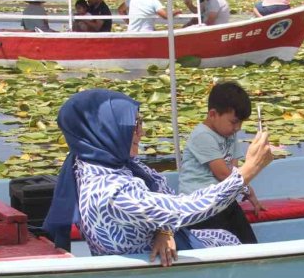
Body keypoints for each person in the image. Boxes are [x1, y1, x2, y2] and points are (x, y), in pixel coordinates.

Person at [43, 89, 273, 266]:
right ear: (105, 131)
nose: (141, 132)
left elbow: (163, 194)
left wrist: (163, 229)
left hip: (166, 250)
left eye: (140, 122)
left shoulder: (99, 160)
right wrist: (249, 170)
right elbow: (184, 208)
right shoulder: (109, 190)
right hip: (154, 271)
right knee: (236, 246)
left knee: (228, 236)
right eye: (133, 126)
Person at [179, 81, 264, 244]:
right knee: (221, 247)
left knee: (250, 244)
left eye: (240, 122)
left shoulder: (229, 134)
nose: (238, 127)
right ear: (213, 114)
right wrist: (247, 187)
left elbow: (234, 169)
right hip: (200, 206)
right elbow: (224, 174)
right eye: (233, 122)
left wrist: (249, 193)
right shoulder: (202, 136)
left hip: (223, 200)